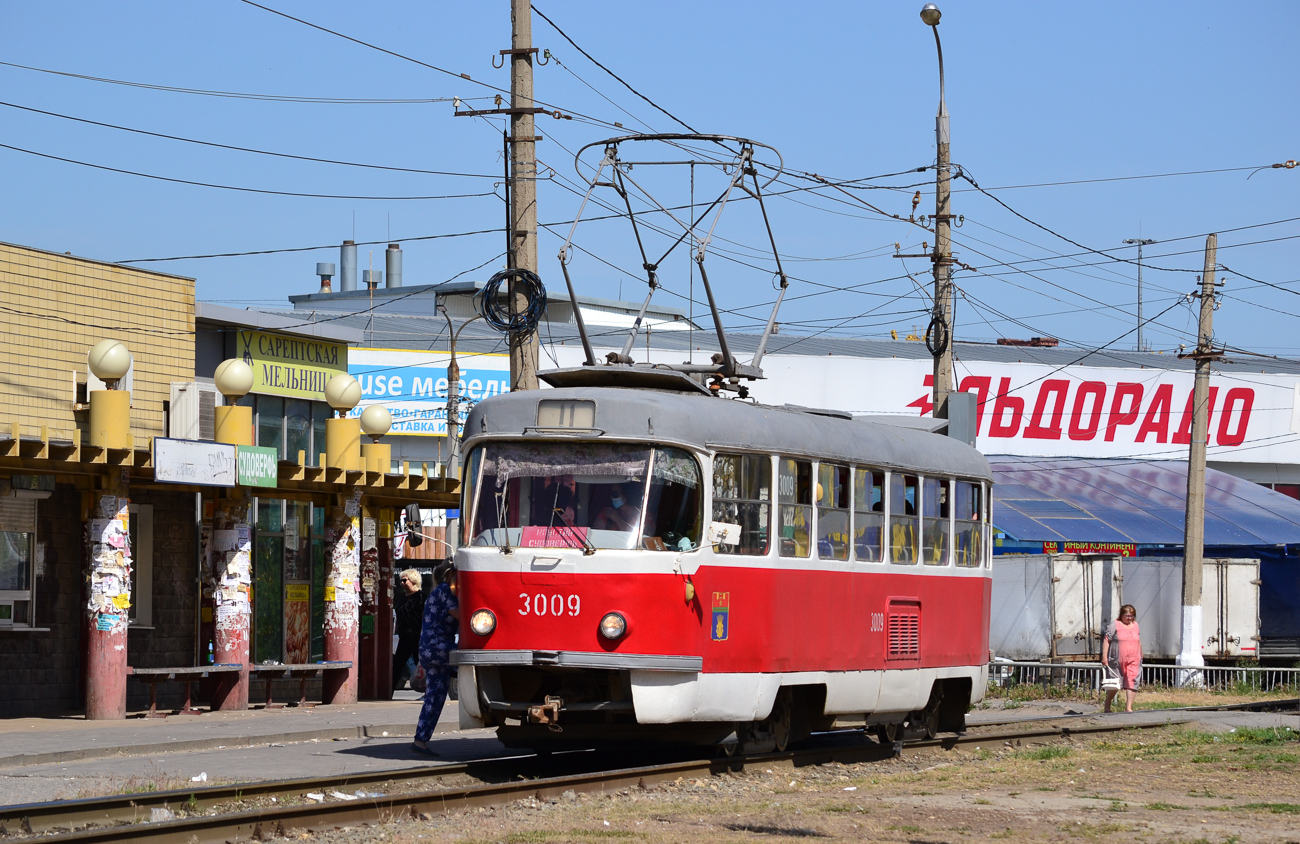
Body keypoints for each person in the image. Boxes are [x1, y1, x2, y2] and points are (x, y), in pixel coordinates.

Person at [412, 564, 459, 755]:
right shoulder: (445, 590)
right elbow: (460, 615)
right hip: (439, 647)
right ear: (450, 575)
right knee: (474, 663)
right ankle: (420, 739)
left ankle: (420, 739)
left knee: (435, 696)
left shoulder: (436, 591)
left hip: (429, 648)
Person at [1102, 603, 1142, 713]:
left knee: (1132, 682)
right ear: (1122, 615)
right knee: (1116, 683)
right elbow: (1106, 640)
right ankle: (1108, 704)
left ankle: (1128, 707)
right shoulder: (1115, 624)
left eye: (1132, 616)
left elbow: (1139, 641)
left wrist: (1141, 655)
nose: (1130, 618)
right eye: (1127, 616)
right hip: (1117, 659)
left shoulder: (1136, 625)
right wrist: (1104, 656)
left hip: (1134, 659)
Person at [391, 568, 423, 690]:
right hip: (404, 637)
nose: (402, 583)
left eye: (404, 580)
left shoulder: (421, 598)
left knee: (421, 664)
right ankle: (389, 692)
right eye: (400, 581)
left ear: (413, 580)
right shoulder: (402, 598)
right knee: (397, 665)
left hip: (417, 636)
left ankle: (428, 692)